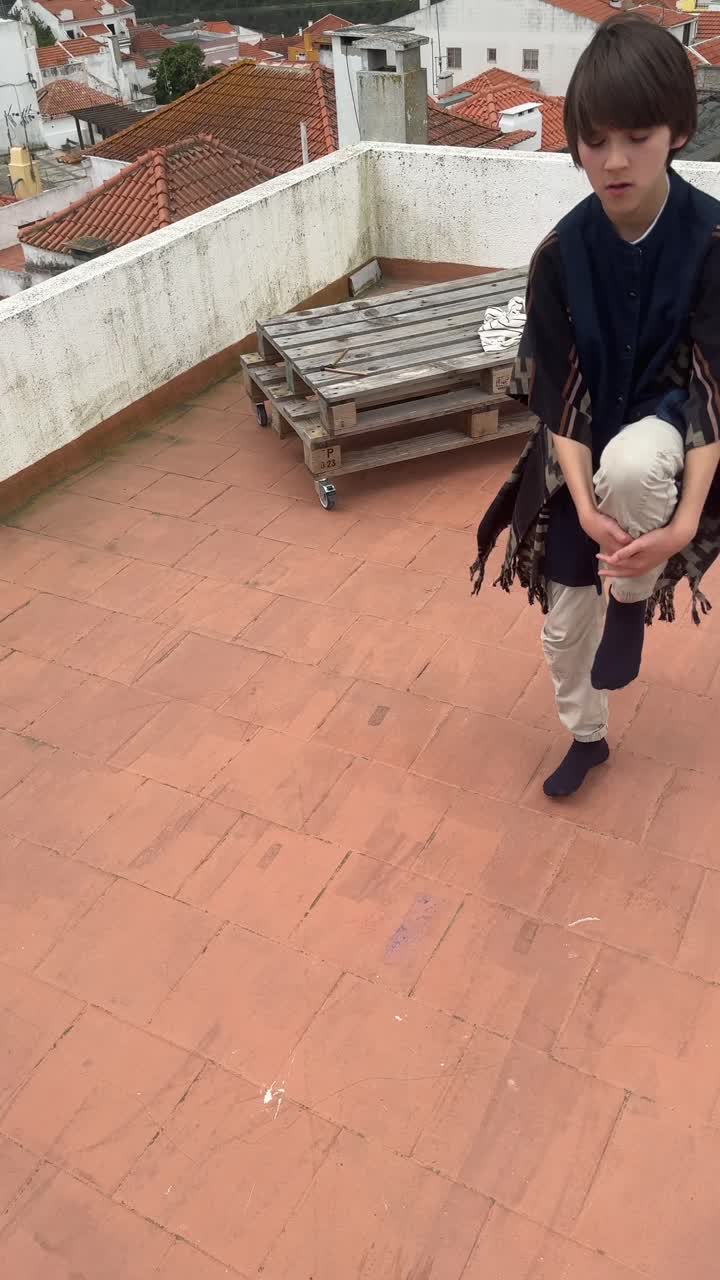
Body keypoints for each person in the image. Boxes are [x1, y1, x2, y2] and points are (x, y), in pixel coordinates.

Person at [471, 12, 720, 799]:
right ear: (574, 138)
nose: (613, 161)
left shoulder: (713, 242)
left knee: (638, 461)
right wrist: (579, 506)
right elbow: (560, 401)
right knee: (561, 629)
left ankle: (634, 602)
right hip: (576, 459)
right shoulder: (560, 255)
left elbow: (716, 392)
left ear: (678, 131)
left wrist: (681, 528)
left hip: (668, 443)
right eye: (594, 140)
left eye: (637, 136)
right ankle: (588, 734)